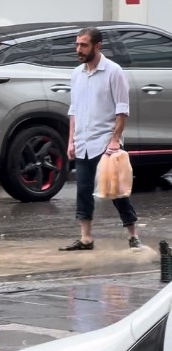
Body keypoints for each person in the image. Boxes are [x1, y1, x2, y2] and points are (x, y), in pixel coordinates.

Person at [61, 26, 140, 252]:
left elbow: (122, 110)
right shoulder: (77, 74)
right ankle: (86, 238)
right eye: (77, 44)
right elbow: (73, 110)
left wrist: (115, 140)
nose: (79, 49)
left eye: (83, 45)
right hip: (83, 142)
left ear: (97, 46)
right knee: (83, 190)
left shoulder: (113, 71)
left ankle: (133, 234)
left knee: (116, 190)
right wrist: (71, 141)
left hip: (106, 142)